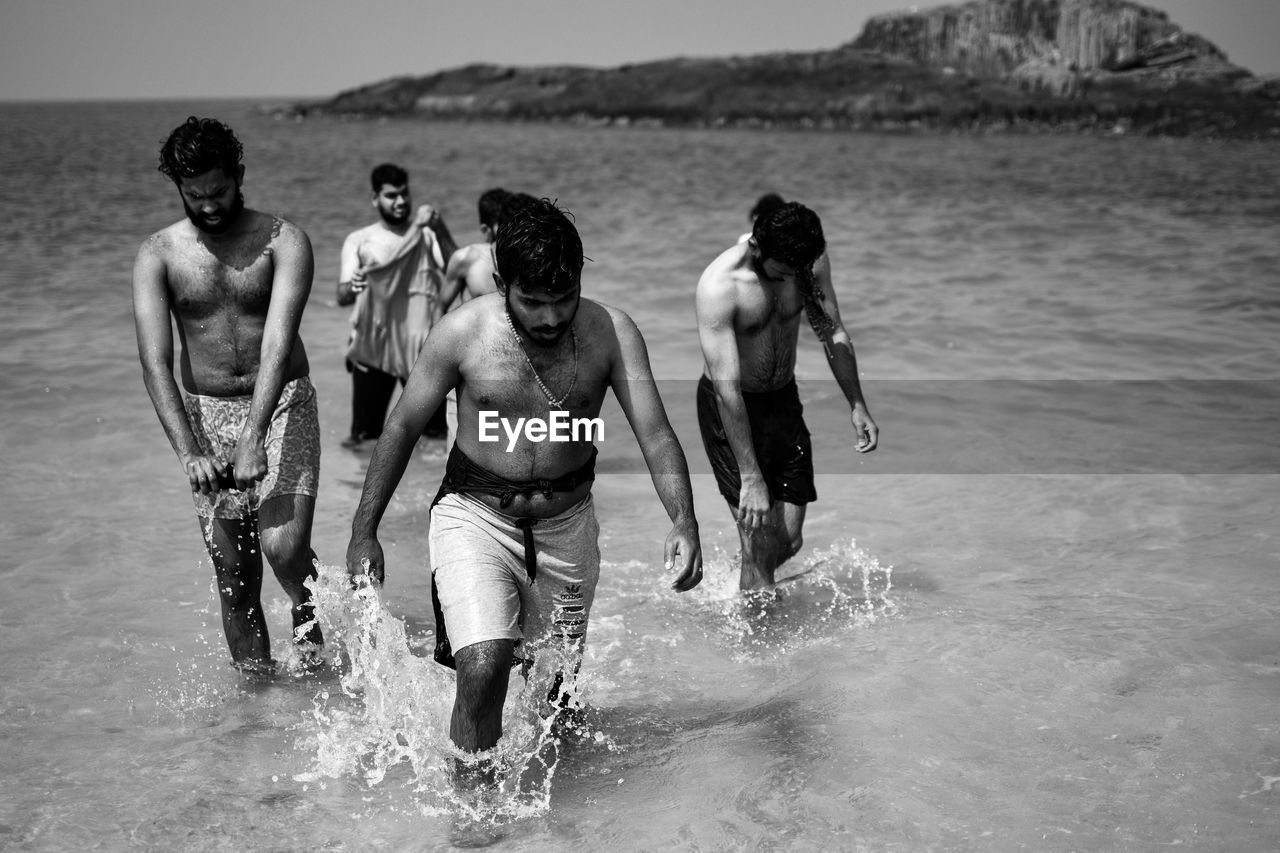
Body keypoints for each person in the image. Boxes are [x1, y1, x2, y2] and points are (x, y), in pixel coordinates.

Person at [345, 198, 703, 767]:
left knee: (558, 697)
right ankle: (472, 816)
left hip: (568, 531)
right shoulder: (462, 333)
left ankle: (557, 814)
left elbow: (655, 433)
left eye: (563, 298)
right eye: (532, 302)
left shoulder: (611, 332)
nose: (550, 318)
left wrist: (684, 520)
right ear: (500, 281)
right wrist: (365, 530)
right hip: (475, 515)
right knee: (485, 665)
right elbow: (403, 425)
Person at [132, 116, 323, 670]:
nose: (210, 205)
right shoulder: (158, 255)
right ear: (179, 189)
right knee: (235, 575)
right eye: (195, 195)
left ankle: (313, 642)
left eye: (218, 191)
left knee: (283, 549)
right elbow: (155, 363)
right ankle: (258, 708)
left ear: (239, 175)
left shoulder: (284, 241)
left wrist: (254, 435)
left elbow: (278, 345)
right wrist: (189, 451)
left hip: (281, 401)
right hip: (205, 415)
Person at [696, 201, 879, 590]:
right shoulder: (721, 286)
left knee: (789, 541)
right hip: (732, 409)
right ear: (758, 248)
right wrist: (751, 477)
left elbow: (832, 331)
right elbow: (727, 391)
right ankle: (761, 643)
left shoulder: (807, 262)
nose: (794, 277)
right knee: (760, 542)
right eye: (783, 270)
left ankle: (737, 585)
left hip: (783, 400)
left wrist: (857, 404)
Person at [336, 163, 458, 448]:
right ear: (375, 198)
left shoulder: (426, 235)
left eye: (404, 194)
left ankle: (422, 488)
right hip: (373, 344)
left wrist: (440, 228)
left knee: (435, 435)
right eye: (392, 195)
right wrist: (353, 286)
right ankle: (353, 487)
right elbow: (342, 295)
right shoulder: (361, 240)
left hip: (420, 345)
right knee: (364, 438)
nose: (401, 201)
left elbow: (456, 270)